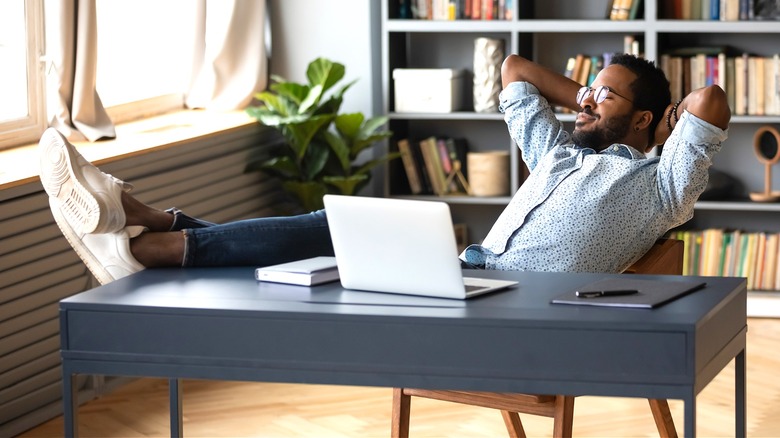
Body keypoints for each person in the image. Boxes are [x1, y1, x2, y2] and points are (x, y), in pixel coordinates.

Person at [39, 53, 731, 285]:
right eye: (586, 88)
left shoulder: (661, 186)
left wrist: (667, 126)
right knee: (340, 224)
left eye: (605, 94)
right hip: (471, 273)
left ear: (644, 120)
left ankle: (149, 234)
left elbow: (710, 99)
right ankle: (154, 232)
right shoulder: (556, 150)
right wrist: (588, 99)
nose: (583, 98)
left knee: (337, 234)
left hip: (524, 306)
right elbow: (516, 71)